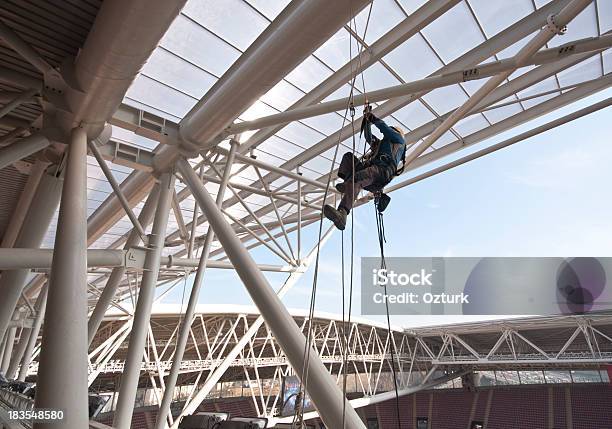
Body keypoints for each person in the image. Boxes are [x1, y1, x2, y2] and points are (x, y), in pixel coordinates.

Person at [323, 109, 406, 230]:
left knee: (358, 178)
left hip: (380, 173)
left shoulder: (399, 140)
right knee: (348, 158)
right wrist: (366, 120)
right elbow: (368, 136)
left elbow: (385, 129)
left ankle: (342, 213)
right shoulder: (380, 145)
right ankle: (349, 184)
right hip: (372, 173)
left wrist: (373, 118)